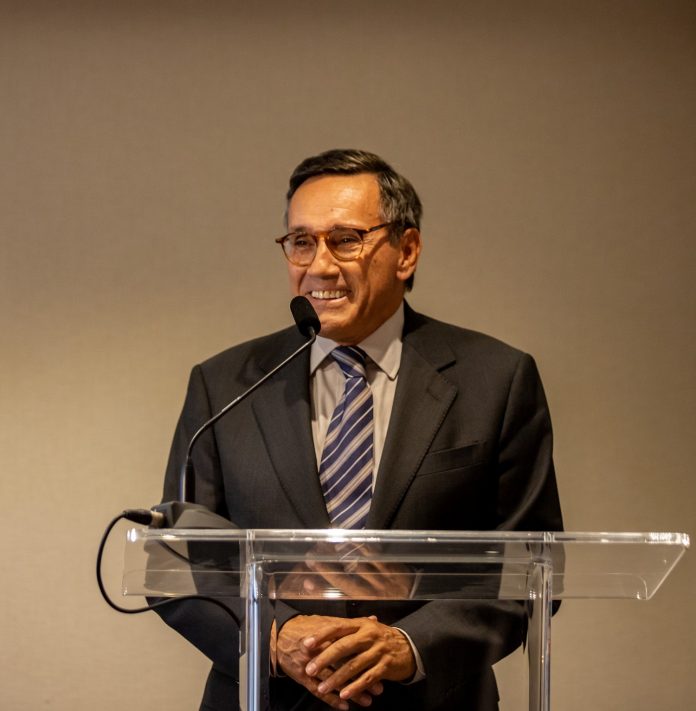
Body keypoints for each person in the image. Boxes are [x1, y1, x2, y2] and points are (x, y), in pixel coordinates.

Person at [157, 149, 563, 711]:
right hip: (267, 697)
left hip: (431, 700)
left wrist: (409, 644)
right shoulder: (224, 384)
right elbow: (178, 562)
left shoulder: (496, 379)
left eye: (345, 240)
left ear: (407, 250)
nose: (319, 266)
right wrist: (275, 636)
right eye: (301, 242)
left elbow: (532, 569)